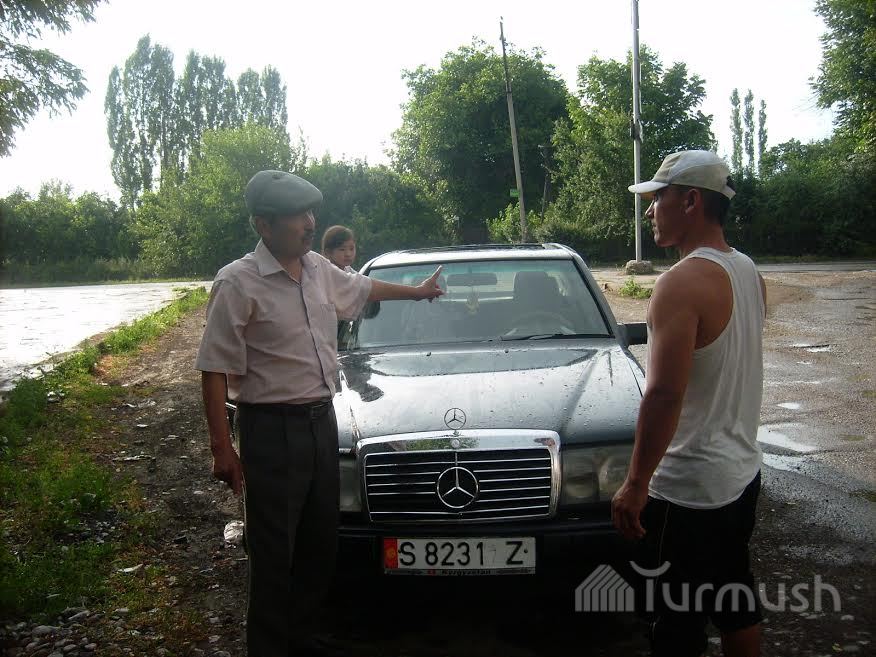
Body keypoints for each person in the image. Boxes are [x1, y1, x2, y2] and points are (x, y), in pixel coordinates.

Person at [195, 170, 443, 657]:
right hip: (270, 431)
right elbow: (214, 369)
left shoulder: (317, 269)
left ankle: (302, 637)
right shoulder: (237, 282)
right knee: (273, 553)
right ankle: (269, 647)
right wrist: (222, 448)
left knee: (319, 544)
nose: (310, 223)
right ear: (264, 224)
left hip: (320, 424)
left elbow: (363, 289)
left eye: (311, 213)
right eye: (297, 215)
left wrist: (418, 292)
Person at [611, 151, 767, 657]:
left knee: (675, 623)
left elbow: (664, 394)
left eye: (659, 197)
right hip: (739, 475)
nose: (650, 210)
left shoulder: (680, 283)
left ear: (691, 201)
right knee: (734, 599)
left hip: (689, 491)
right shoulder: (747, 271)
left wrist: (636, 483)